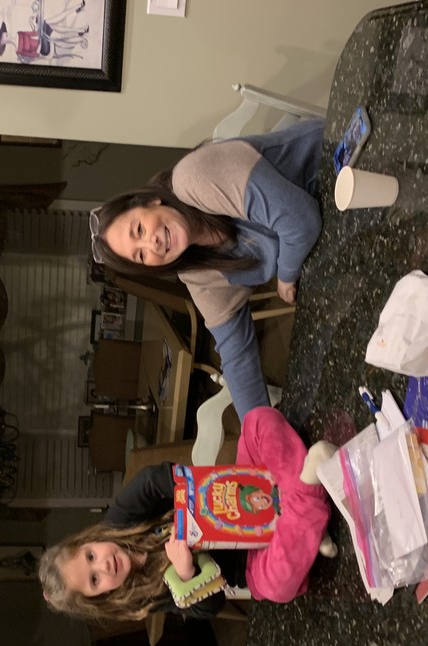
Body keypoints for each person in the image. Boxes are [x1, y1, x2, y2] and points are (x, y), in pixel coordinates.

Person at [89, 118, 324, 421]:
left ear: (150, 201)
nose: (153, 244)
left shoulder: (193, 178)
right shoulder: (196, 272)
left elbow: (301, 221)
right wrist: (259, 430)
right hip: (325, 245)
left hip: (338, 167)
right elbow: (236, 355)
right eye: (141, 255)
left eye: (139, 230)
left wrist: (286, 276)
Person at [39, 407, 336, 621]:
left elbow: (150, 480)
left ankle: (304, 516)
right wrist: (186, 572)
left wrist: (190, 504)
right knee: (276, 586)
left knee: (257, 421)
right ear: (100, 597)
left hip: (245, 488)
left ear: (89, 540)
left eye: (91, 556)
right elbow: (210, 608)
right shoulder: (140, 597)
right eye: (94, 580)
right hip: (252, 557)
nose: (104, 565)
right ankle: (305, 499)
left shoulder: (118, 522)